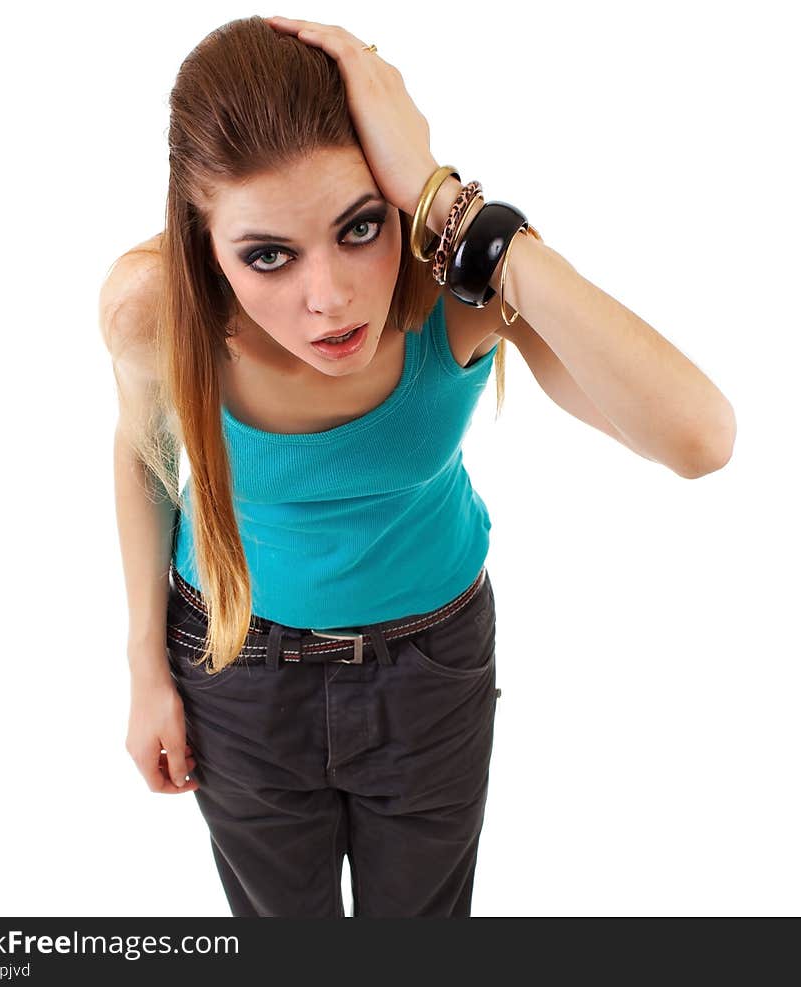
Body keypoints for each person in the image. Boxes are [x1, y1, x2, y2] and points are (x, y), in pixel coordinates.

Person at [98, 16, 735, 918]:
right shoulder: (153, 311)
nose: (329, 299)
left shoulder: (457, 288)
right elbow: (148, 456)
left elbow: (700, 437)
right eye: (267, 255)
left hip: (429, 671)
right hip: (234, 666)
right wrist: (143, 668)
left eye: (360, 228)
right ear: (205, 246)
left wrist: (453, 211)